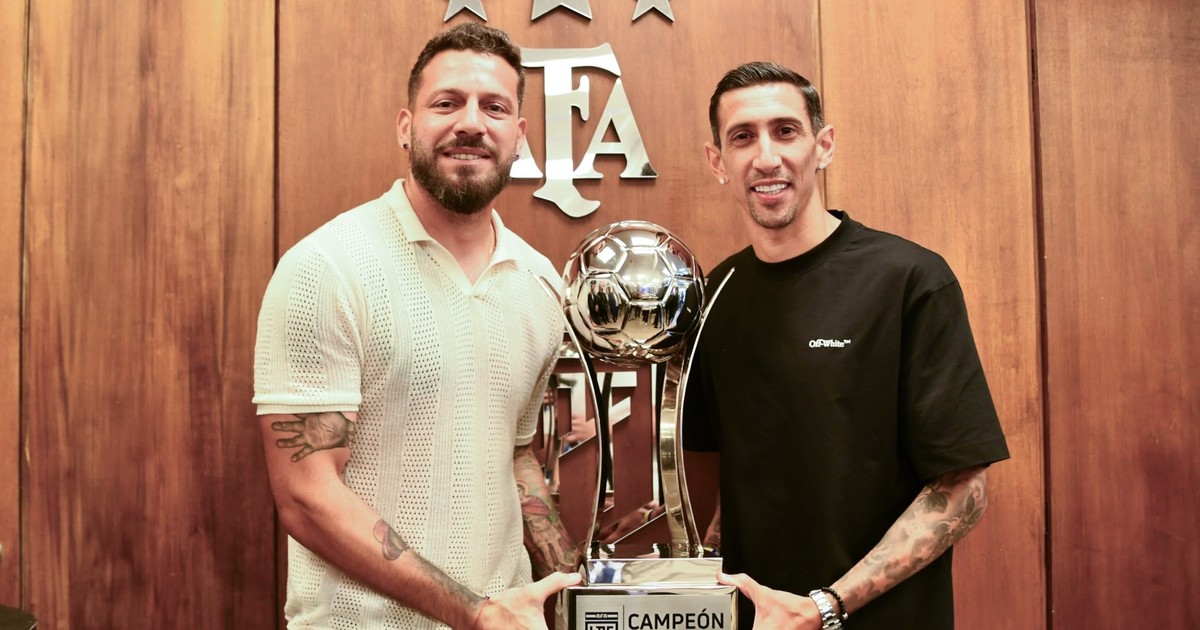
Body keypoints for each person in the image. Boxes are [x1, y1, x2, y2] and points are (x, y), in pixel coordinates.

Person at [253, 23, 580, 629]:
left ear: (519, 136)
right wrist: (474, 613)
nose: (471, 123)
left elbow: (516, 454)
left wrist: (575, 580)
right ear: (406, 126)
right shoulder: (327, 267)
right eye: (447, 103)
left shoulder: (541, 284)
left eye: (494, 107)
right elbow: (306, 495)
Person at [682, 61, 1011, 629]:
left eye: (786, 131)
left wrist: (824, 607)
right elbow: (729, 492)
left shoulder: (909, 280)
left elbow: (963, 489)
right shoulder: (715, 295)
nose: (766, 157)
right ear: (718, 162)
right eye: (743, 137)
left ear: (823, 146)